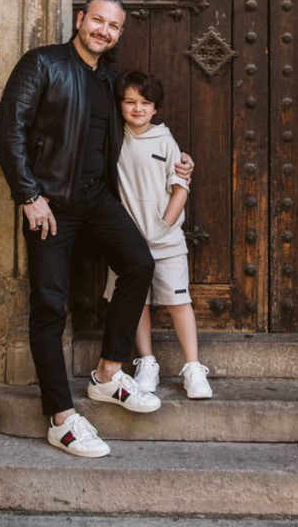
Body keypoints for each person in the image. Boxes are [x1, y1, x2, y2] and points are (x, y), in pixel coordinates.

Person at [0, 0, 194, 458]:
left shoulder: (108, 81)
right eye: (98, 20)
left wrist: (176, 165)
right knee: (49, 306)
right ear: (81, 19)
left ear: (119, 33)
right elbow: (10, 130)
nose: (104, 30)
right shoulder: (42, 64)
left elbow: (136, 135)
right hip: (50, 205)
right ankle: (61, 419)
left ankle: (107, 374)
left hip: (96, 200)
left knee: (138, 265)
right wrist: (29, 195)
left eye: (114, 26)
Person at [104, 71, 212, 400]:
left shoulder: (165, 141)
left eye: (145, 103)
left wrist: (164, 223)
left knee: (178, 301)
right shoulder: (113, 138)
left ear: (155, 109)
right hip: (126, 241)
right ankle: (146, 362)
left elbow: (180, 186)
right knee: (137, 303)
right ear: (120, 105)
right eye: (130, 102)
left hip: (165, 243)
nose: (137, 109)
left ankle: (193, 367)